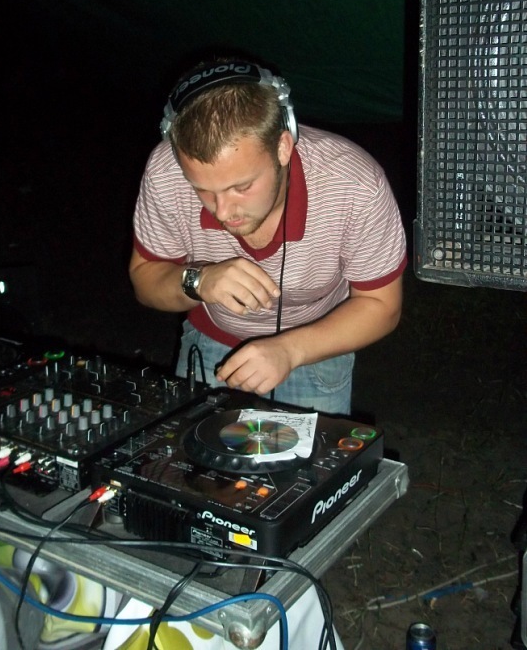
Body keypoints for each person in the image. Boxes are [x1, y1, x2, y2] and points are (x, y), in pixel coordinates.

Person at [129, 56, 407, 415]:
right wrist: (198, 281)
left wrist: (289, 350)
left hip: (318, 346)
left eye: (241, 187)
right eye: (203, 190)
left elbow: (381, 306)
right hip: (213, 342)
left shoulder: (355, 185)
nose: (222, 211)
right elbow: (145, 281)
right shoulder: (166, 171)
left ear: (283, 147)